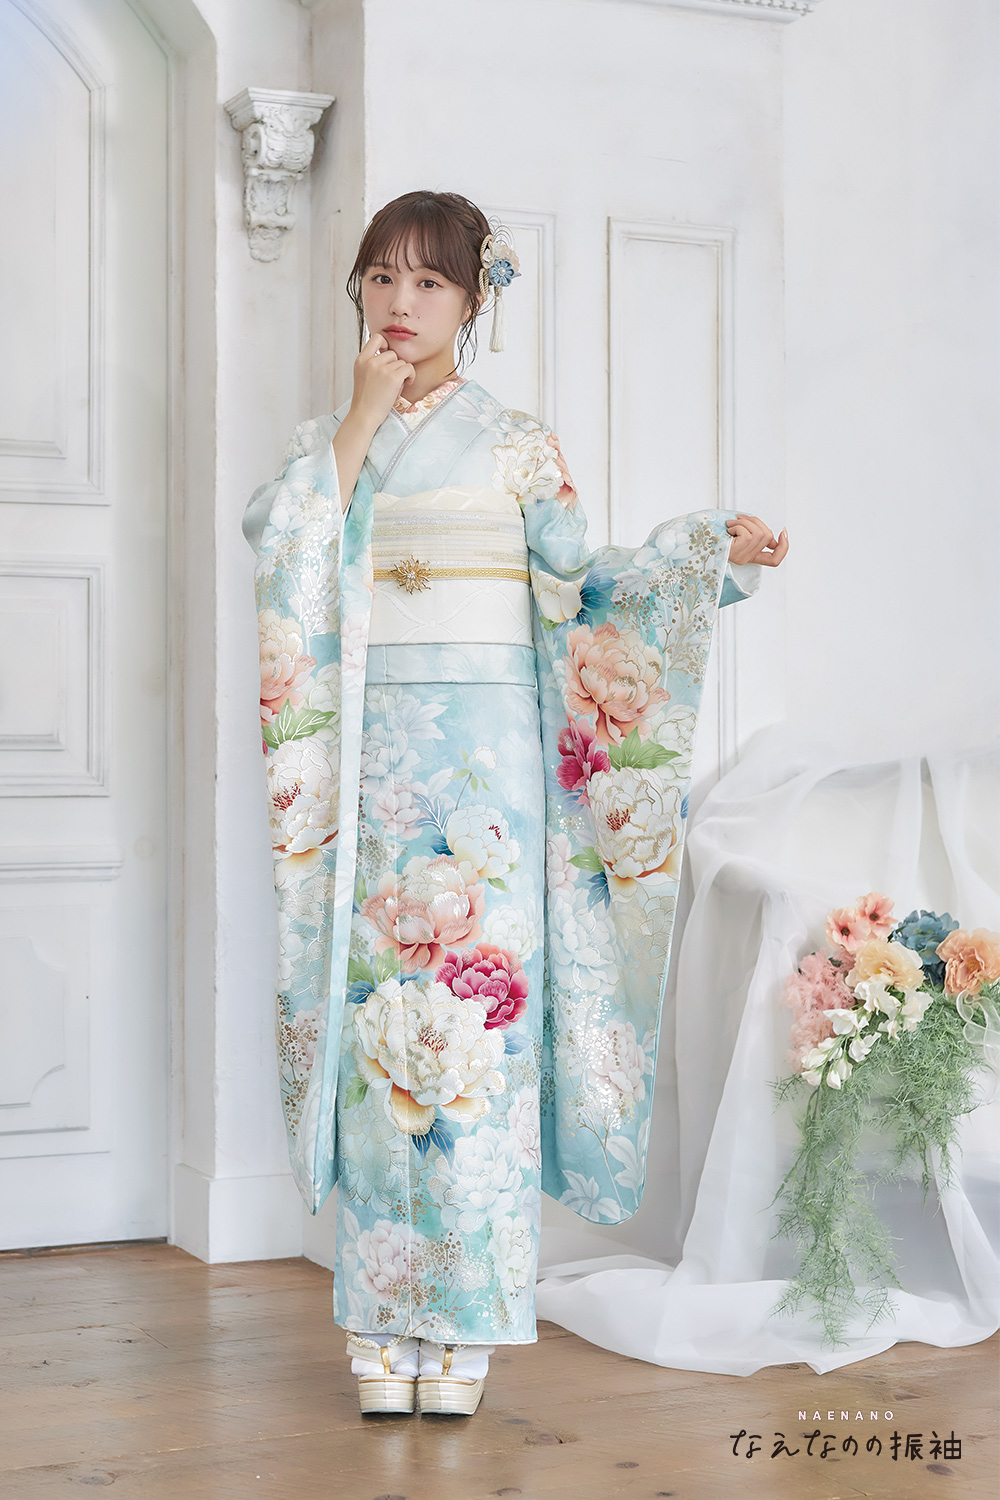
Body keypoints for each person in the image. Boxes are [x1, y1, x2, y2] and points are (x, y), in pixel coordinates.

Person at [243, 190, 787, 1417]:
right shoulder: (328, 439)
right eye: (380, 277)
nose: (399, 303)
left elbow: (586, 591)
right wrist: (361, 419)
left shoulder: (519, 446)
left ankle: (469, 1320)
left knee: (478, 1030)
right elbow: (281, 547)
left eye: (428, 282)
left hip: (489, 778)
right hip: (374, 776)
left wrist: (709, 559)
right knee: (384, 1024)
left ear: (473, 298)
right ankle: (381, 1310)